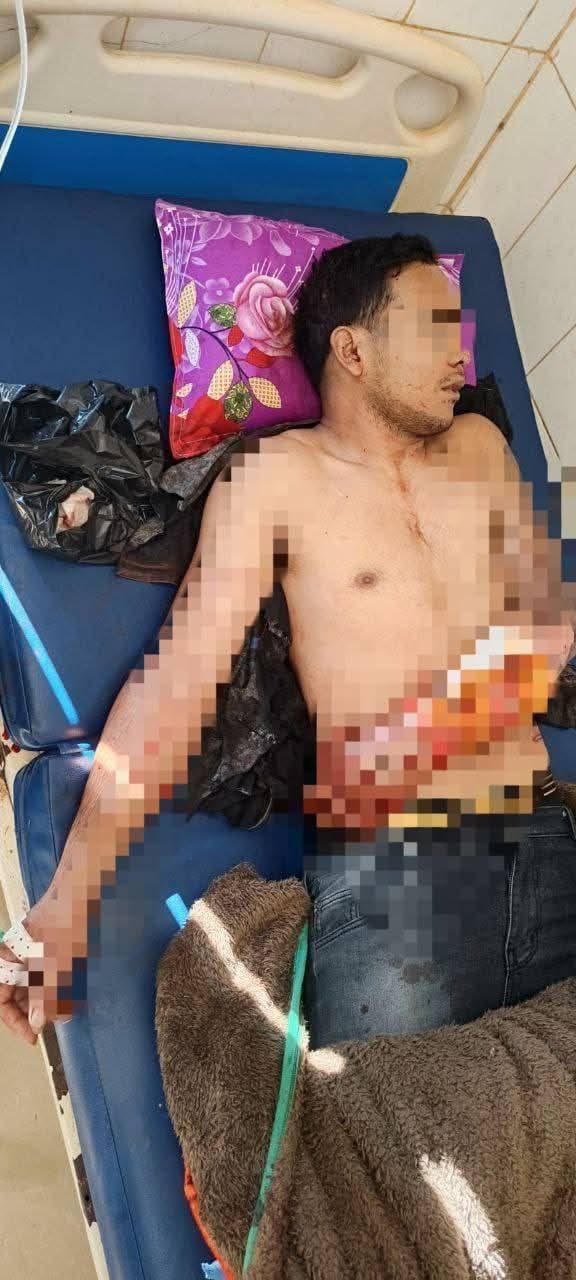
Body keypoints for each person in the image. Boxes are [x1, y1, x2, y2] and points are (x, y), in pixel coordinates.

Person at [1, 235, 574, 1046]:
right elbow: (177, 687)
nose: (462, 356)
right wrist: (65, 908)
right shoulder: (275, 480)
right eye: (437, 328)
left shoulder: (481, 446)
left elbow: (549, 623)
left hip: (544, 833)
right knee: (393, 1122)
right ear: (353, 351)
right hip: (394, 873)